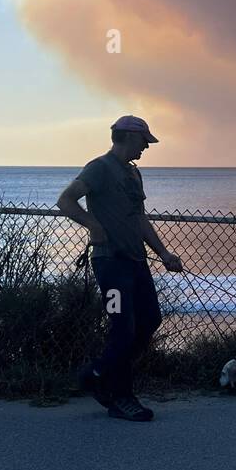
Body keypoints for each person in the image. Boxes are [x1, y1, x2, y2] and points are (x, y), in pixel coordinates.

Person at [57, 115, 184, 421]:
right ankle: (121, 397)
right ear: (127, 136)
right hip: (110, 263)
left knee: (150, 319)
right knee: (123, 327)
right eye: (144, 141)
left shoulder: (133, 173)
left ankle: (98, 373)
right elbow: (66, 200)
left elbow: (139, 218)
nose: (146, 147)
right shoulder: (99, 168)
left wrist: (164, 252)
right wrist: (93, 225)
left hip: (136, 262)